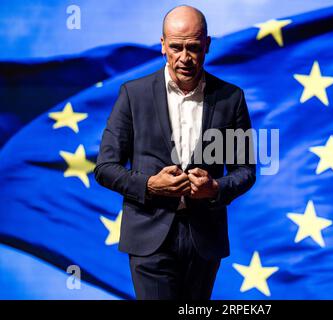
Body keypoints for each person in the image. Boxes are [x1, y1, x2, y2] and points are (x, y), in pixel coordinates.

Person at [94, 5, 256, 300]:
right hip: (148, 238)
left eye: (193, 47)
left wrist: (215, 188)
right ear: (163, 46)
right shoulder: (133, 94)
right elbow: (105, 167)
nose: (185, 57)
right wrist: (149, 185)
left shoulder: (231, 98)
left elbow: (245, 171)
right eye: (176, 47)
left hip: (204, 240)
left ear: (207, 45)